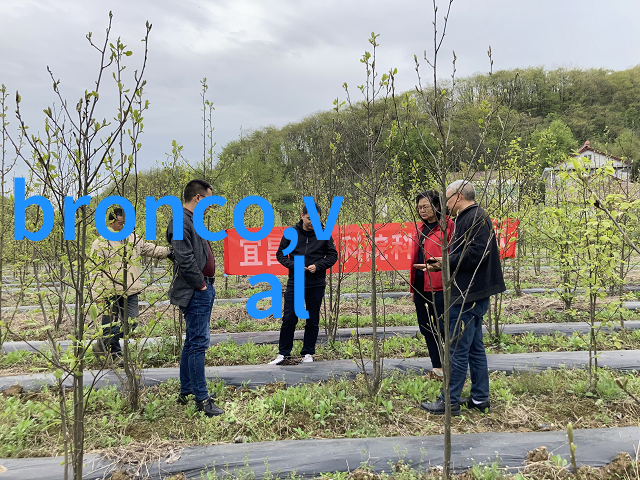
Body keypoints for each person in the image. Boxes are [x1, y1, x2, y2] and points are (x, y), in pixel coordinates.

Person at [420, 180, 506, 416]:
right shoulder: (468, 218)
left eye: (447, 199)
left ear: (458, 196)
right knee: (475, 349)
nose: (445, 205)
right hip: (471, 293)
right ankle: (480, 398)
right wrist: (441, 265)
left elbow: (476, 254)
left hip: (468, 295)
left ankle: (449, 401)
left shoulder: (474, 217)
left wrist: (444, 263)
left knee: (457, 349)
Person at [166, 179, 224, 417]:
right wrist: (200, 285)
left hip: (202, 288)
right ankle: (201, 399)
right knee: (198, 343)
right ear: (198, 198)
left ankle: (187, 390)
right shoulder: (180, 220)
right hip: (195, 291)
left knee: (192, 341)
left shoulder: (192, 221)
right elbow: (183, 256)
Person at [91, 207, 171, 363]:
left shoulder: (133, 238)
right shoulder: (100, 242)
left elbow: (148, 248)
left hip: (131, 290)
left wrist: (168, 252)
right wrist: (97, 295)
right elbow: (95, 270)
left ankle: (101, 344)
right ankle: (114, 355)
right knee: (109, 326)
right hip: (110, 292)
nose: (124, 226)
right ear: (112, 222)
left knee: (132, 324)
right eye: (121, 223)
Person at [270, 203, 338, 365]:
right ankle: (283, 353)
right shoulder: (291, 233)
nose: (312, 222)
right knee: (289, 318)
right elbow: (280, 254)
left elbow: (333, 255)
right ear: (302, 216)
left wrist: (319, 266)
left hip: (316, 282)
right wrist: (295, 265)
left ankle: (308, 352)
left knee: (312, 319)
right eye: (309, 219)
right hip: (296, 281)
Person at [410, 191, 454, 380]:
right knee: (426, 328)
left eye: (425, 206)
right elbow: (414, 258)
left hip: (440, 286)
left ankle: (452, 366)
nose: (422, 211)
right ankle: (437, 367)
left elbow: (454, 256)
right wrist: (412, 288)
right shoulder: (418, 229)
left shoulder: (449, 226)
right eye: (419, 207)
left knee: (445, 328)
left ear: (437, 206)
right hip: (421, 286)